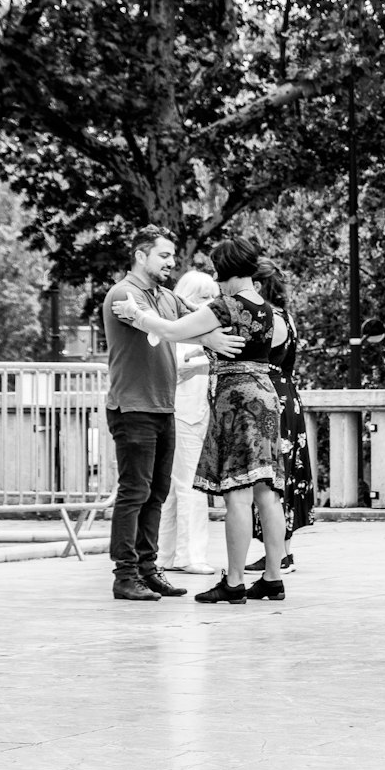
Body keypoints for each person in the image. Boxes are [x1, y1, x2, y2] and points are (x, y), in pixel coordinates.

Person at [112, 236, 286, 606]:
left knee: (236, 495)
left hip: (237, 400)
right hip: (266, 395)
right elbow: (196, 315)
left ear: (223, 270)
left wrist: (138, 316)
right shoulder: (265, 308)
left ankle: (235, 582)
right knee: (267, 493)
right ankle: (273, 577)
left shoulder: (226, 304)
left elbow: (174, 331)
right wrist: (208, 334)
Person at [101, 225, 242, 602]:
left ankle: (148, 570)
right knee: (134, 492)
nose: (171, 263)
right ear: (140, 256)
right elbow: (168, 332)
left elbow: (193, 320)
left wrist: (217, 322)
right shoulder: (124, 295)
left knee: (157, 492)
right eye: (163, 255)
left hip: (164, 406)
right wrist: (207, 338)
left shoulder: (164, 295)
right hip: (132, 407)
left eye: (172, 256)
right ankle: (125, 574)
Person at [244, 256, 314, 598]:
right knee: (283, 474)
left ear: (257, 287)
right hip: (286, 398)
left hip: (270, 399)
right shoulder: (285, 317)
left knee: (273, 478)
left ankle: (281, 554)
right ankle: (281, 551)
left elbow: (246, 355)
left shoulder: (269, 319)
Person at [154, 269, 219, 577]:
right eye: (204, 297)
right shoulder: (183, 332)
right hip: (186, 413)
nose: (211, 303)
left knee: (175, 487)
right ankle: (189, 554)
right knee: (190, 486)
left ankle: (167, 553)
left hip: (187, 412)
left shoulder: (184, 331)